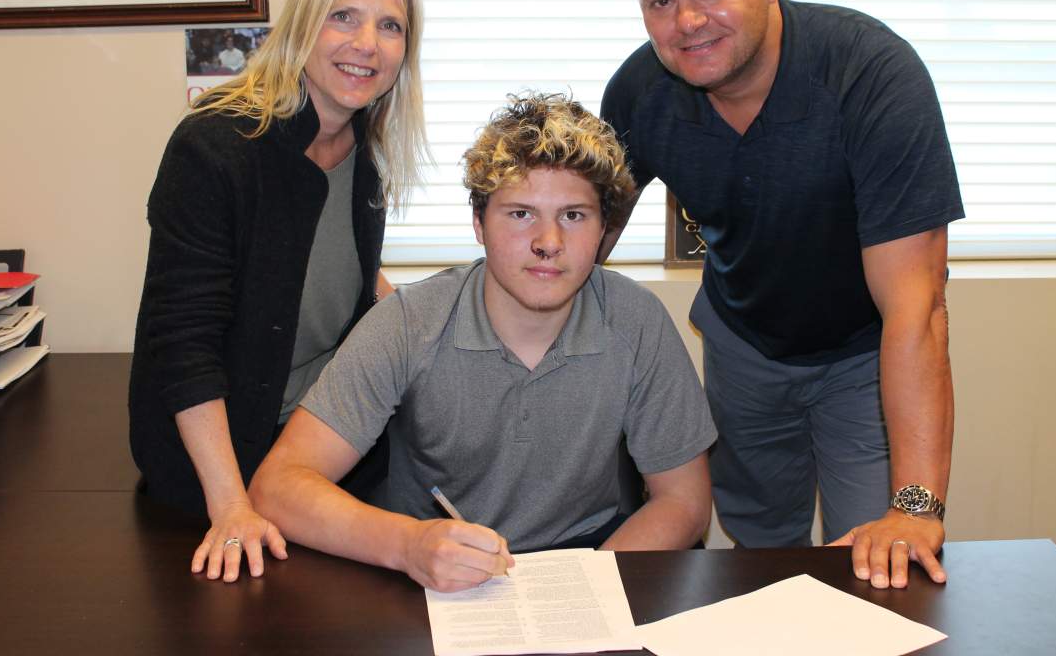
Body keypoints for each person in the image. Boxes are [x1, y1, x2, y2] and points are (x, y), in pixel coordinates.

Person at [600, 0, 963, 591]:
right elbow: (571, 244)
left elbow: (916, 308)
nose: (688, 22)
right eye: (660, 2)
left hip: (865, 356)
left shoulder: (872, 76)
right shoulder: (642, 93)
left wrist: (917, 507)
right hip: (743, 350)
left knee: (882, 565)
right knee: (760, 563)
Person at [249, 93, 716, 593]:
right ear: (479, 223)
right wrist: (408, 545)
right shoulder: (409, 322)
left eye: (574, 216)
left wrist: (585, 592)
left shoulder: (637, 321)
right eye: (520, 214)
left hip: (589, 562)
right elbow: (277, 487)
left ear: (604, 228)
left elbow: (684, 502)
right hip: (427, 569)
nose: (548, 241)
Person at [129, 0, 429, 583]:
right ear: (303, 23)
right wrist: (231, 506)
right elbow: (182, 345)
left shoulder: (363, 151)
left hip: (321, 442)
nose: (367, 44)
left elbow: (348, 283)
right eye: (343, 16)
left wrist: (431, 326)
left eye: (390, 26)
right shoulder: (214, 147)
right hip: (222, 468)